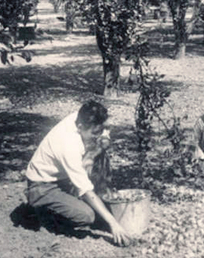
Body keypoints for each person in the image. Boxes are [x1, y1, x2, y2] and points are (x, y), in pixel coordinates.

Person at [24, 101, 130, 246]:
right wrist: (114, 224)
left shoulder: (82, 117)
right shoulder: (67, 145)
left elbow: (105, 130)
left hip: (61, 176)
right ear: (80, 127)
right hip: (42, 185)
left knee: (100, 153)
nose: (98, 135)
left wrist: (92, 154)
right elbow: (85, 189)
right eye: (95, 132)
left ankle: (88, 200)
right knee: (87, 215)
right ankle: (44, 211)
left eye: (100, 130)